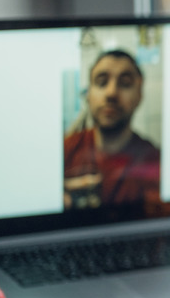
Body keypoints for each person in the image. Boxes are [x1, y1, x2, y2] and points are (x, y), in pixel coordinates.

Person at [64, 49, 161, 209]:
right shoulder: (66, 150)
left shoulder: (154, 163)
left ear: (139, 96)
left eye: (125, 83)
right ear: (88, 95)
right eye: (101, 82)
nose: (111, 93)